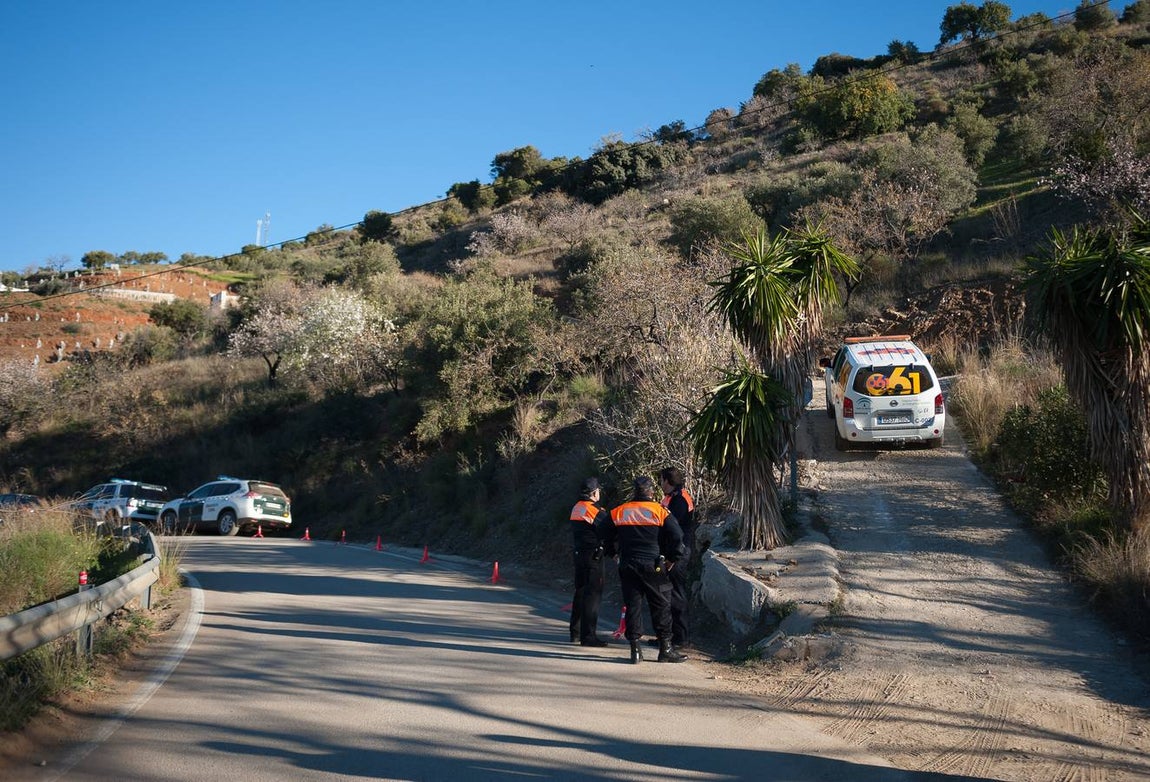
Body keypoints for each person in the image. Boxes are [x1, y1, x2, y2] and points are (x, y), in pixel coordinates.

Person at [597, 475, 688, 664]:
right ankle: (666, 649)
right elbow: (678, 535)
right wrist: (673, 558)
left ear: (634, 491)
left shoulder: (620, 511)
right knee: (661, 606)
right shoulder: (660, 511)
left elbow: (602, 531)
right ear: (651, 492)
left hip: (628, 564)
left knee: (633, 606)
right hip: (653, 565)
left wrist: (612, 552)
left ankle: (635, 650)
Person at [568, 477, 609, 647]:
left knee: (580, 592)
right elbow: (608, 527)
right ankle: (588, 636)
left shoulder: (576, 507)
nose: (599, 492)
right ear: (593, 493)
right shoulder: (593, 510)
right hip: (593, 556)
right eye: (598, 490)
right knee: (593, 595)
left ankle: (576, 632)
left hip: (579, 554)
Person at [660, 467, 696, 649]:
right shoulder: (672, 497)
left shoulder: (680, 500)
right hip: (672, 551)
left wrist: (673, 556)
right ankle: (668, 636)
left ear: (668, 481)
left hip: (679, 552)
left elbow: (674, 529)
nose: (660, 484)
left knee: (677, 594)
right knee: (667, 594)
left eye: (661, 480)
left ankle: (681, 638)